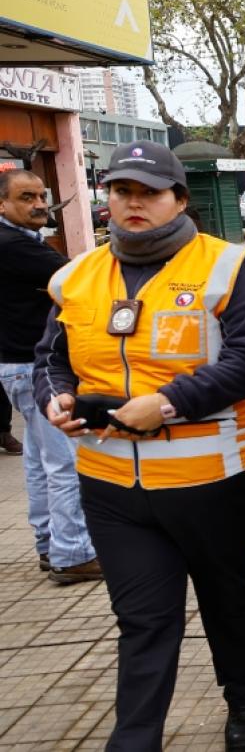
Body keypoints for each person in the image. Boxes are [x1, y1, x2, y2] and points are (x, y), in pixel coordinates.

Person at [35, 142, 245, 750]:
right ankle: (135, 739)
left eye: (150, 193)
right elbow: (51, 359)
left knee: (227, 600)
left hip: (212, 481)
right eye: (122, 191)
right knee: (142, 619)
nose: (134, 203)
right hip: (112, 487)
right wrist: (55, 397)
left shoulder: (227, 267)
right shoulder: (76, 275)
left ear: (180, 200)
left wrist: (168, 402)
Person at [1, 169, 99, 579]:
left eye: (41, 196)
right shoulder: (15, 245)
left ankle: (49, 542)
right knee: (65, 462)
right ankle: (73, 554)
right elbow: (81, 279)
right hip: (33, 367)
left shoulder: (21, 241)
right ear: (2, 204)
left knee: (40, 461)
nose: (40, 204)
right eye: (27, 198)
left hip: (18, 366)